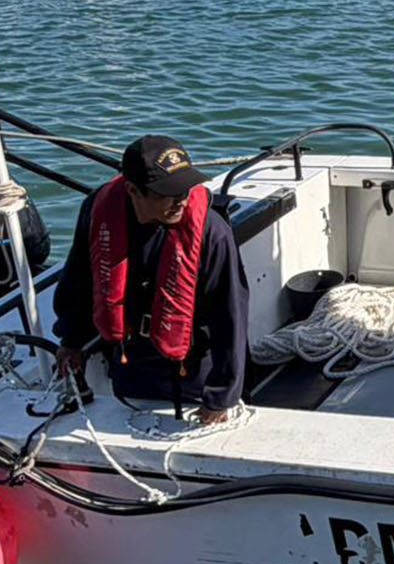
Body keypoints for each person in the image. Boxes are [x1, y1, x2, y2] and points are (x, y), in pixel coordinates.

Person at [52, 136, 249, 425]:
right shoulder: (98, 210)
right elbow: (79, 276)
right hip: (128, 364)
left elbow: (230, 312)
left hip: (190, 371)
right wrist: (71, 340)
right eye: (167, 193)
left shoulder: (211, 231)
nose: (180, 201)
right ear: (133, 190)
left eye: (185, 189)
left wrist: (221, 397)